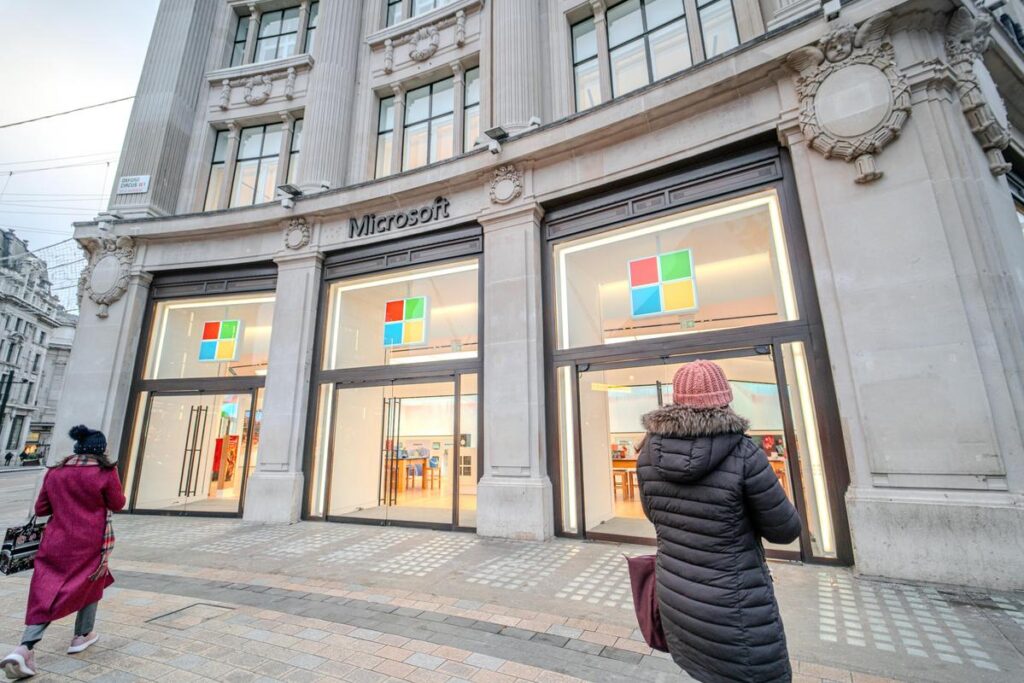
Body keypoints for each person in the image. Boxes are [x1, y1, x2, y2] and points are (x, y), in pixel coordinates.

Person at [636, 360, 801, 683]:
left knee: (702, 668)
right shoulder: (744, 453)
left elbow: (652, 513)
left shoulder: (648, 453)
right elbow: (785, 530)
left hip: (677, 594)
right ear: (724, 398)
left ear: (676, 400)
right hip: (735, 601)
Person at [1, 425, 125, 680]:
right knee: (90, 580)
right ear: (100, 449)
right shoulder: (105, 472)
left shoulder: (55, 472)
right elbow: (118, 503)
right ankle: (65, 639)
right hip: (90, 541)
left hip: (56, 539)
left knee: (48, 589)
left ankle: (37, 643)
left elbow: (42, 508)